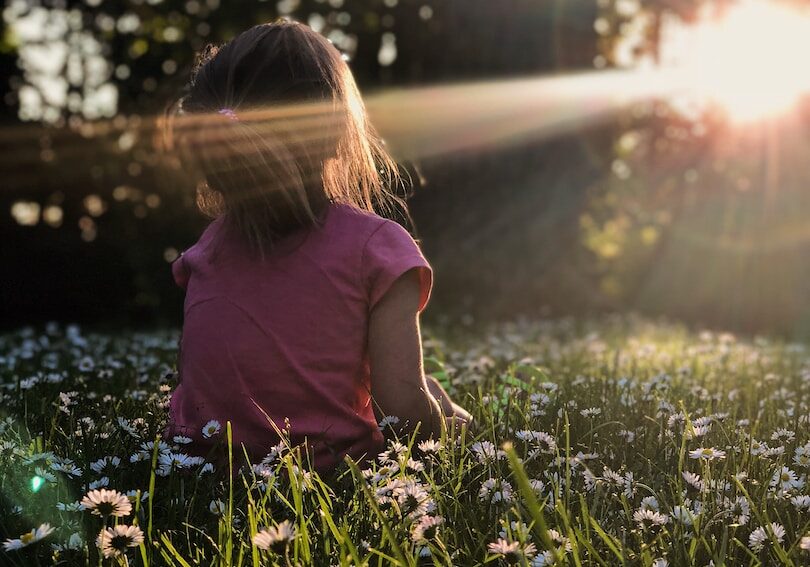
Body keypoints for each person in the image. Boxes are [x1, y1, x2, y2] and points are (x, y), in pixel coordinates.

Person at [162, 19, 471, 474]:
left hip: (201, 470)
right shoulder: (377, 249)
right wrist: (453, 428)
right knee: (433, 398)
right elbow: (403, 411)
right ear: (332, 132)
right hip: (330, 477)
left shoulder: (206, 251)